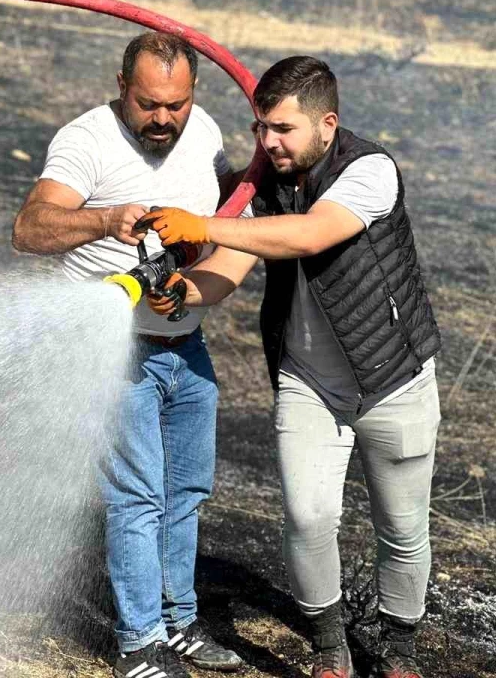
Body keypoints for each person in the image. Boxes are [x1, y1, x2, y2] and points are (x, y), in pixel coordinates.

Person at [140, 56, 442, 678]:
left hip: (394, 378)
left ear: (326, 124)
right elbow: (228, 268)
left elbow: (309, 234)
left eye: (283, 129)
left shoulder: (369, 170)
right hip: (309, 382)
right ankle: (330, 649)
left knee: (403, 528)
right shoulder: (263, 183)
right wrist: (186, 291)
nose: (268, 143)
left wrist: (204, 222)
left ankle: (399, 648)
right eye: (259, 128)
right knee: (308, 517)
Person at [12, 32, 244, 678]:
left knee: (186, 488)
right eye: (148, 104)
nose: (164, 119)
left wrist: (192, 282)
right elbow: (28, 229)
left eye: (177, 104)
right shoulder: (85, 142)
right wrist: (102, 220)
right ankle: (140, 642)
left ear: (194, 94)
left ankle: (179, 619)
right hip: (116, 352)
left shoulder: (206, 134)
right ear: (121, 85)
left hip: (185, 343)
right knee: (137, 492)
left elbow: (233, 213)